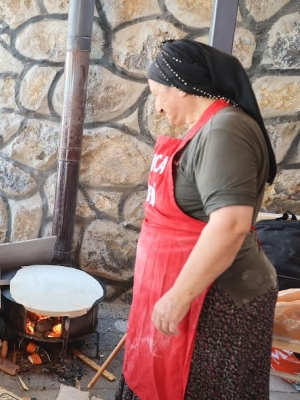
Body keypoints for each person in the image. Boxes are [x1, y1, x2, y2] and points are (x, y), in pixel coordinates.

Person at [116, 39, 279, 400]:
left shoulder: (225, 131)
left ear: (182, 87)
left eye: (158, 93)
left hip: (218, 300)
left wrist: (177, 297)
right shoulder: (209, 127)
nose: (157, 107)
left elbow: (230, 225)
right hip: (192, 290)